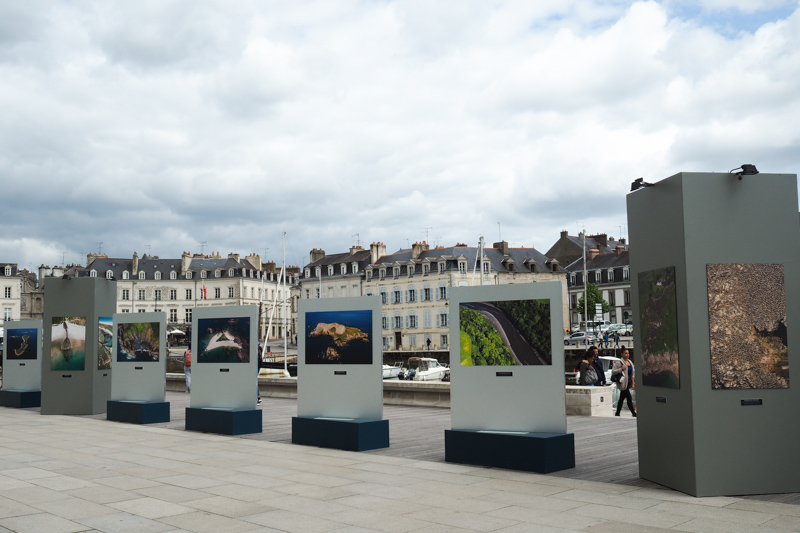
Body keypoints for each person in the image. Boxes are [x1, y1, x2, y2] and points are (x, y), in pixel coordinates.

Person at [612, 348, 636, 417]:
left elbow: (633, 374)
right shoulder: (619, 362)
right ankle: (633, 413)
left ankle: (617, 412)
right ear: (622, 354)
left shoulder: (630, 362)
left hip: (628, 383)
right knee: (629, 397)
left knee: (621, 398)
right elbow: (613, 371)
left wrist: (633, 383)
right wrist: (621, 369)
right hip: (622, 383)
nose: (627, 354)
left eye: (628, 353)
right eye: (625, 353)